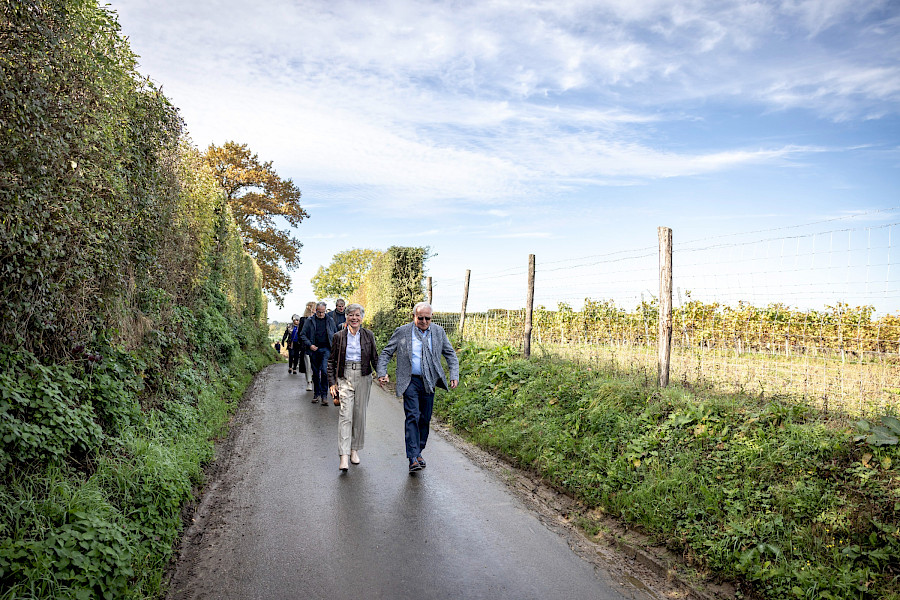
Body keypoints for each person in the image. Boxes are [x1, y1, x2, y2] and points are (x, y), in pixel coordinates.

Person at [377, 302, 459, 474]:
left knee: (425, 418)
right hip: (410, 381)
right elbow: (386, 352)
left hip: (429, 381)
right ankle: (413, 457)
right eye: (420, 317)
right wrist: (382, 371)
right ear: (413, 316)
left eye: (427, 318)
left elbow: (450, 354)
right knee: (413, 415)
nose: (423, 321)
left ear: (431, 318)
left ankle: (419, 451)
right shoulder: (402, 332)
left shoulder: (438, 332)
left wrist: (454, 374)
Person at [327, 304, 378, 472]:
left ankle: (354, 450)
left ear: (361, 318)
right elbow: (331, 361)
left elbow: (375, 358)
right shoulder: (338, 336)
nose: (354, 318)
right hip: (344, 376)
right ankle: (343, 456)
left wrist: (382, 373)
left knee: (359, 415)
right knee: (345, 415)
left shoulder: (368, 335)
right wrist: (332, 383)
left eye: (357, 315)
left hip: (364, 376)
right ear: (346, 317)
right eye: (351, 315)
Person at [301, 301, 337, 405]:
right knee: (316, 373)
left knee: (324, 371)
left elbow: (335, 334)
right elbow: (303, 335)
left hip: (326, 349)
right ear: (315, 310)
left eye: (323, 312)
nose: (321, 314)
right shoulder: (310, 321)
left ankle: (324, 395)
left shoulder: (330, 320)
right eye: (319, 312)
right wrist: (310, 345)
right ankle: (316, 394)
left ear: (325, 311)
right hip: (314, 350)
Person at [299, 301, 316, 392]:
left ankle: (315, 380)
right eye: (314, 307)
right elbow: (300, 333)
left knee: (316, 365)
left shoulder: (318, 318)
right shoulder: (303, 319)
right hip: (306, 346)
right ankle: (309, 382)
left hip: (316, 345)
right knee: (308, 365)